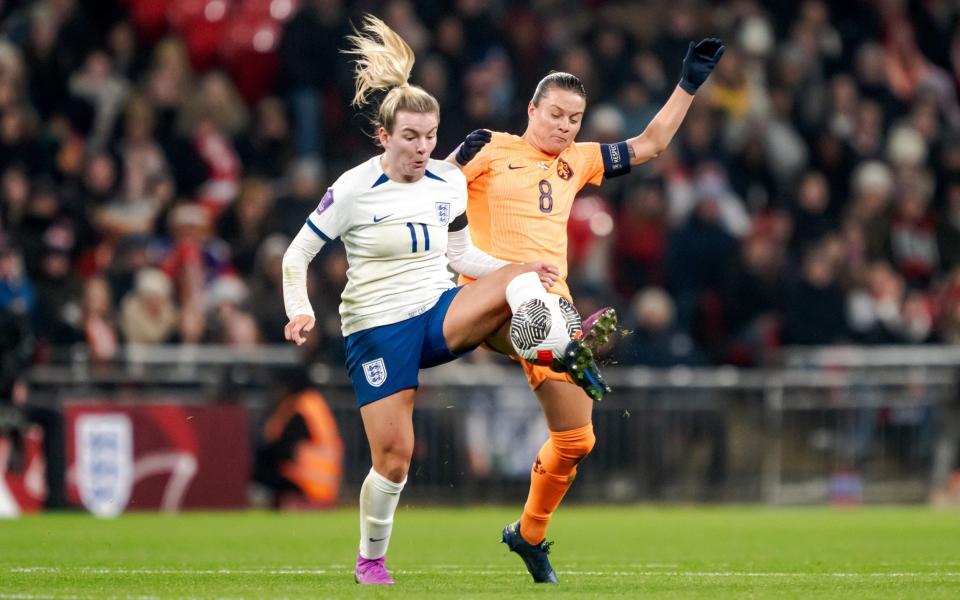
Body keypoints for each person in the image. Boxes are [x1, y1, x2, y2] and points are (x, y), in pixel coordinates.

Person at [281, 16, 602, 586]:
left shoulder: (446, 183)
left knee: (519, 279)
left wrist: (517, 268)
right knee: (394, 459)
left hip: (435, 313)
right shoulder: (352, 189)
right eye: (410, 136)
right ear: (384, 136)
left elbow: (461, 256)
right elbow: (296, 256)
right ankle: (371, 559)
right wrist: (299, 309)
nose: (421, 147)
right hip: (377, 330)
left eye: (429, 136)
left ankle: (557, 345)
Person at [448, 38, 726, 583]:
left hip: (552, 304)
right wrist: (454, 158)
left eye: (574, 118)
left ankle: (527, 535)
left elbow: (650, 144)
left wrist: (688, 84)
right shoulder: (490, 148)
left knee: (578, 440)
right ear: (531, 110)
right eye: (555, 115)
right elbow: (427, 188)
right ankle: (567, 346)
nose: (565, 127)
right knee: (530, 309)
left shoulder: (579, 161)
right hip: (488, 295)